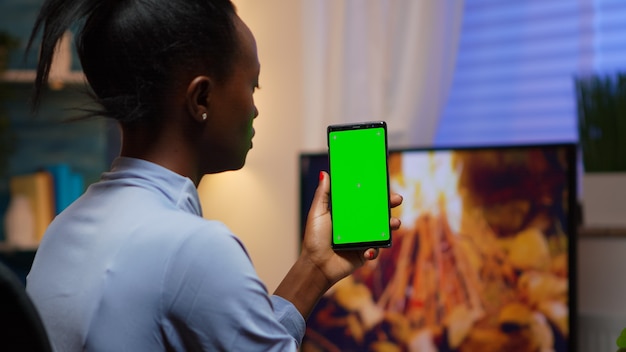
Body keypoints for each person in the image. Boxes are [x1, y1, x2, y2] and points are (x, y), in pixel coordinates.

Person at [24, 0, 403, 351]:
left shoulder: (62, 229)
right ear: (201, 98)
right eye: (252, 85)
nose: (255, 110)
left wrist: (315, 267)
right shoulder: (192, 248)